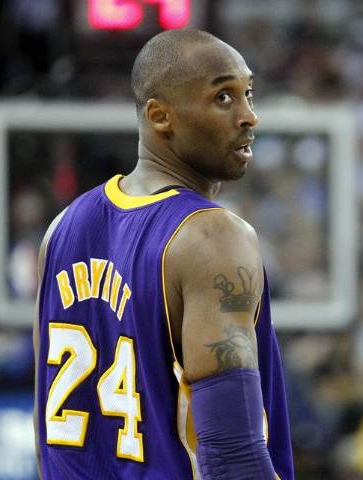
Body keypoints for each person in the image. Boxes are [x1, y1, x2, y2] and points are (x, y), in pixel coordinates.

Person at [33, 29, 293, 479]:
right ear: (160, 116)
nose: (249, 115)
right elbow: (233, 458)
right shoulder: (211, 235)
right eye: (223, 97)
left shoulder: (60, 230)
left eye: (248, 93)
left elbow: (46, 433)